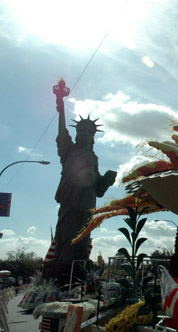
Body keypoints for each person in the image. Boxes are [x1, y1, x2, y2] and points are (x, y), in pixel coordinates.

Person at [52, 79, 116, 262]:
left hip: (88, 202)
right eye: (82, 130)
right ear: (77, 132)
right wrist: (61, 104)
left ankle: (80, 265)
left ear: (93, 135)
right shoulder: (69, 150)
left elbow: (98, 189)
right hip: (71, 199)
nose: (85, 133)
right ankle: (62, 263)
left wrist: (106, 180)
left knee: (83, 237)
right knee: (68, 232)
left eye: (89, 131)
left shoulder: (94, 158)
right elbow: (62, 132)